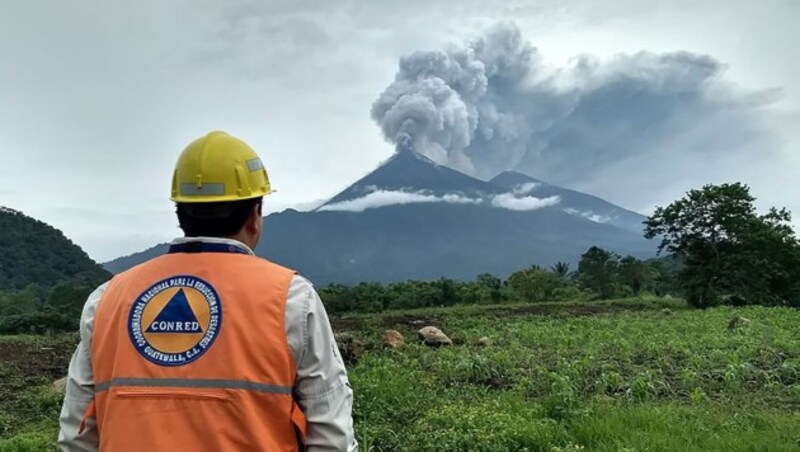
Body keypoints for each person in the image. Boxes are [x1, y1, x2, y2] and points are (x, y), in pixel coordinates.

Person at [58, 131, 358, 451]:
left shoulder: (107, 300)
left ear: (180, 213)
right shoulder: (290, 299)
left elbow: (77, 436)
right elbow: (331, 435)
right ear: (255, 215)